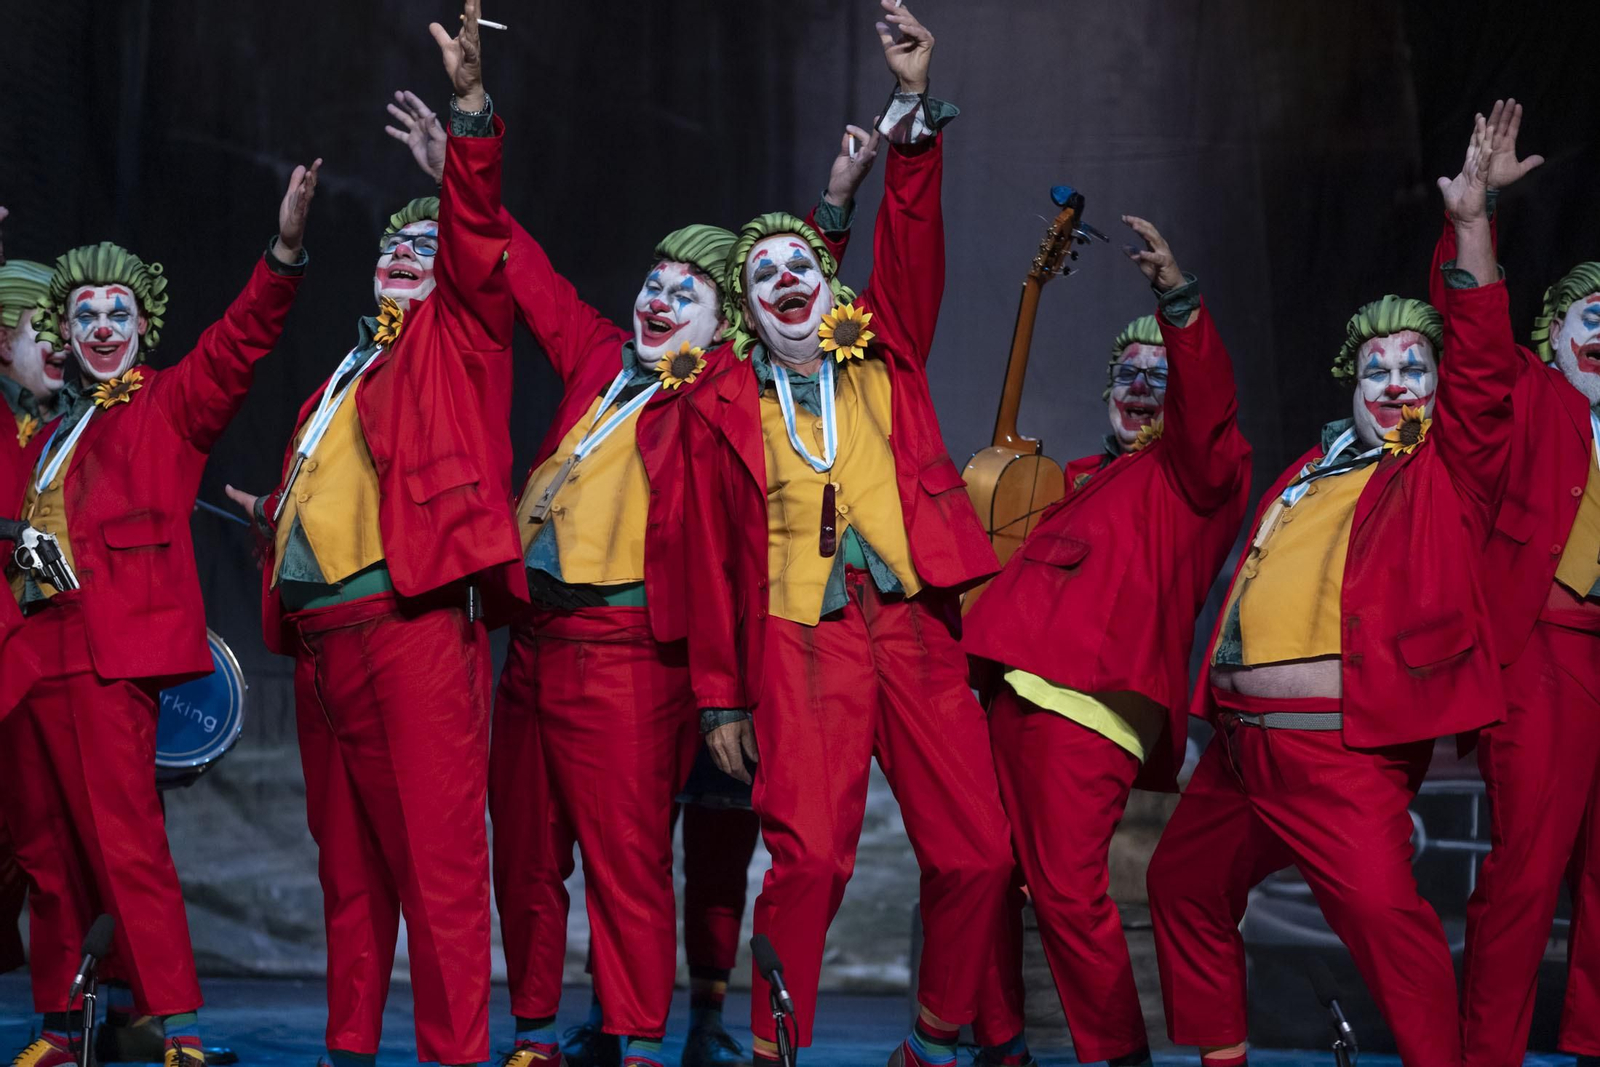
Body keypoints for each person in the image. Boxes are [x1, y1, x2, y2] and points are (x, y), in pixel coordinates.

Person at [380, 77, 877, 1067]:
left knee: (625, 862)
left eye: (685, 293)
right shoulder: (595, 362)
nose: (658, 300)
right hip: (534, 646)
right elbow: (523, 270)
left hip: (628, 654)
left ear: (720, 323)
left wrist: (832, 211)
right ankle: (533, 1034)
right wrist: (459, 172)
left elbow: (793, 310)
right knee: (525, 854)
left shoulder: (719, 390)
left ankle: (640, 1041)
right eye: (653, 283)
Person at [1144, 109, 1519, 1067]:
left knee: (1390, 930)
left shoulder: (1444, 469)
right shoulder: (1314, 468)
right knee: (1182, 887)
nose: (1393, 384)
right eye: (1375, 369)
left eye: (1413, 369)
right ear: (1349, 385)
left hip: (1338, 754)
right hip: (1242, 749)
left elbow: (1483, 368)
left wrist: (1470, 224)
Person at [682, 5, 1017, 1064]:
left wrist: (910, 112)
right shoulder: (719, 401)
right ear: (745, 311)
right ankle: (777, 1050)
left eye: (804, 266)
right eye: (765, 275)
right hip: (801, 637)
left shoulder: (883, 349)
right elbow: (705, 557)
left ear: (830, 285)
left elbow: (909, 242)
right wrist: (719, 693)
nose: (788, 280)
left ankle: (933, 1040)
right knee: (812, 862)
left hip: (911, 620)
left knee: (978, 851)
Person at [224, 6, 517, 1065]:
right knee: (347, 871)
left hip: (409, 628)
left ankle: (453, 1055)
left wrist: (468, 122)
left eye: (426, 246)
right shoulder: (340, 379)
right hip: (323, 644)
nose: (407, 254)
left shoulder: (460, 341)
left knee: (438, 869)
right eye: (396, 244)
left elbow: (479, 252)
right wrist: (279, 518)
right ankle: (347, 1048)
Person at [0, 159, 317, 1067]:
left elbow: (241, 342)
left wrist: (283, 254)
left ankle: (175, 1024)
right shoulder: (46, 430)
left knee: (125, 843)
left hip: (111, 652)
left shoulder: (171, 403)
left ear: (144, 326)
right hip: (34, 649)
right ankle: (61, 1025)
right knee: (47, 849)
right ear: (66, 333)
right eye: (85, 316)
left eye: (119, 314)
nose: (102, 328)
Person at [962, 217, 1251, 1067]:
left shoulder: (1200, 473)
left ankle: (1118, 1055)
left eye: (1164, 375)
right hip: (1012, 688)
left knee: (1064, 887)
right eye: (1130, 373)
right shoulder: (1074, 481)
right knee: (979, 866)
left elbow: (1206, 412)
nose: (1145, 385)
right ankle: (999, 1045)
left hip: (1091, 700)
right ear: (1106, 391)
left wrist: (1178, 305)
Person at [1446, 101, 1600, 1067]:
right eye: (1594, 318)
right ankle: (1487, 1056)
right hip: (1546, 646)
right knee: (1528, 865)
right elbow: (1472, 350)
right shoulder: (1530, 395)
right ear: (1550, 332)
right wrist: (1475, 223)